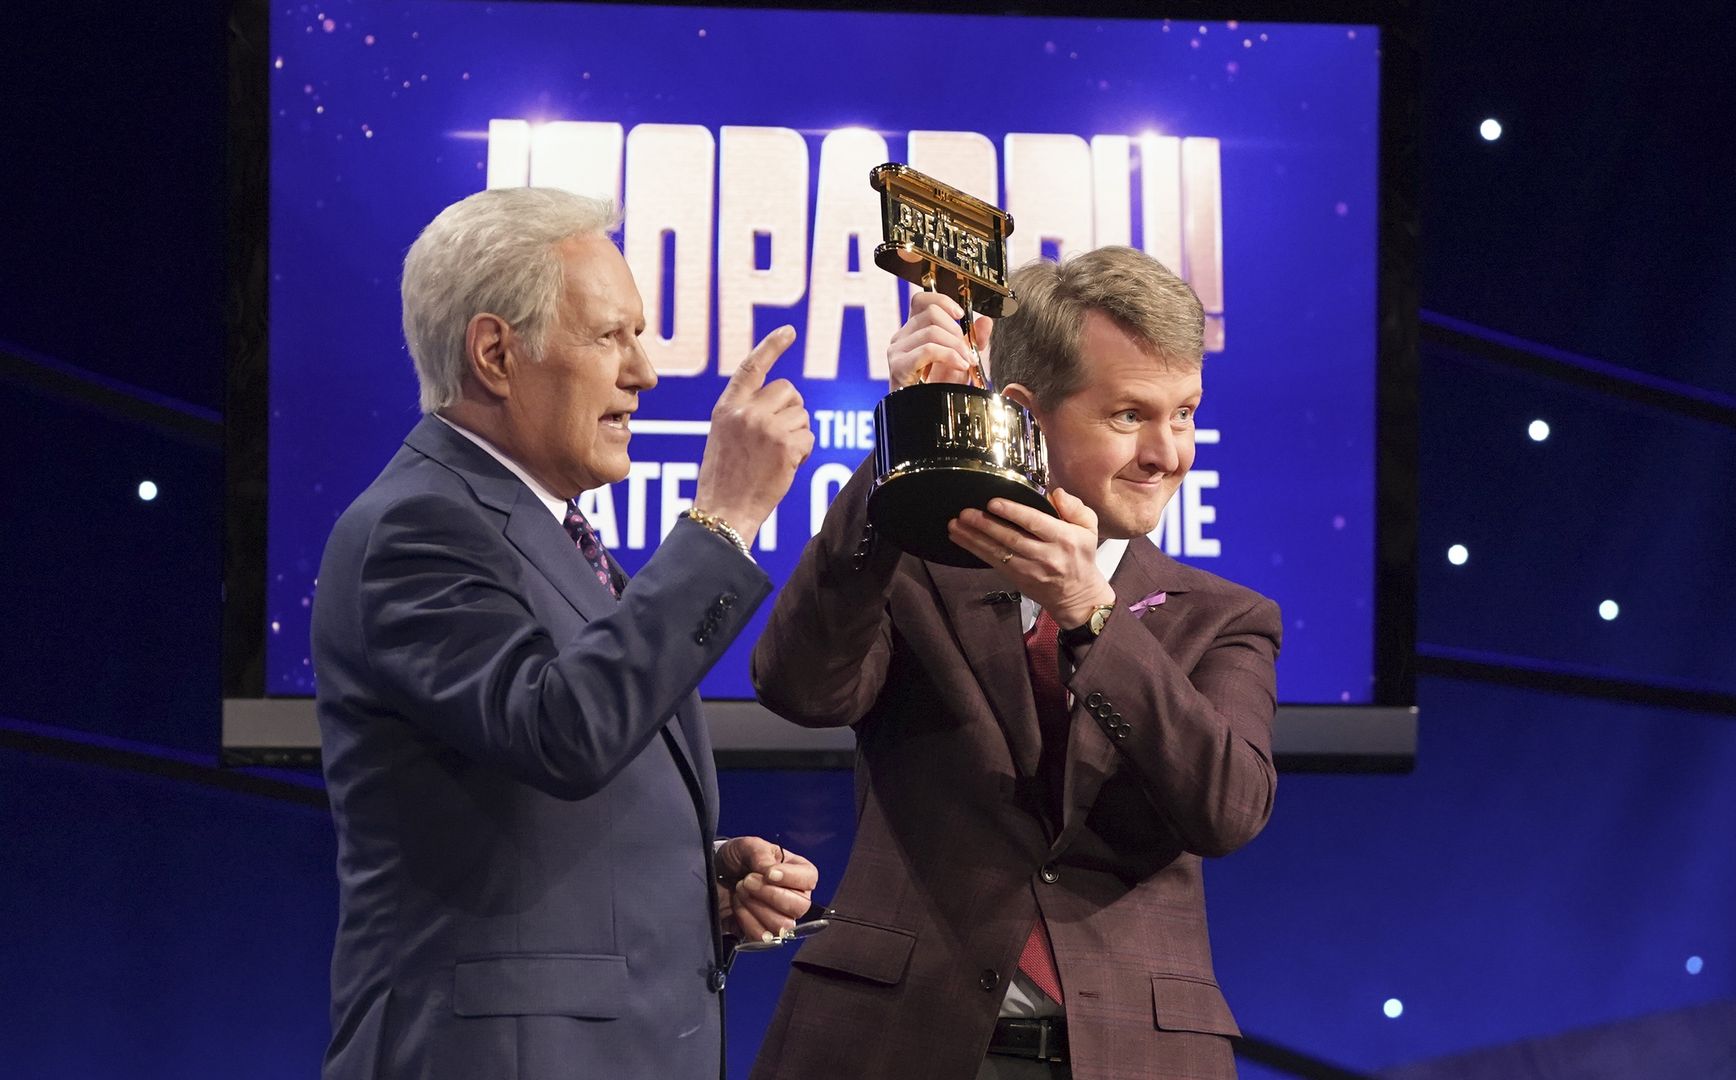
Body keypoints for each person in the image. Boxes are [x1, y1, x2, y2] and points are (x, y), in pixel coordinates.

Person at [311, 186, 819, 1080]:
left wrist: (691, 879)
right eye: (610, 336)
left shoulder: (553, 536)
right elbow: (561, 730)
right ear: (497, 353)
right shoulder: (418, 527)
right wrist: (725, 519)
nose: (644, 373)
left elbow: (531, 788)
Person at [748, 245, 1282, 1080]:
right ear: (1026, 415)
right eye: (1128, 416)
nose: (1167, 452)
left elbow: (1227, 809)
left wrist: (1092, 616)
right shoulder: (916, 572)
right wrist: (907, 440)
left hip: (1130, 1056)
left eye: (1183, 414)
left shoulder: (1226, 621)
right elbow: (798, 685)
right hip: (889, 1043)